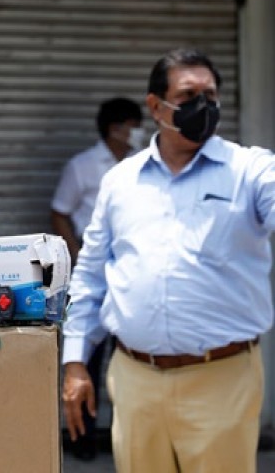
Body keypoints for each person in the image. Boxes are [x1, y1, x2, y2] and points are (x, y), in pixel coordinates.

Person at [61, 47, 275, 473]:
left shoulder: (250, 171)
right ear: (156, 106)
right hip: (135, 380)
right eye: (189, 94)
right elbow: (91, 275)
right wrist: (74, 362)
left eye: (211, 95)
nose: (204, 106)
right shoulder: (121, 181)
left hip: (222, 379)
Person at [51, 96, 143, 461]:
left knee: (130, 359)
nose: (141, 132)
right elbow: (59, 212)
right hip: (95, 279)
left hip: (132, 281)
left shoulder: (143, 167)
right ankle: (82, 440)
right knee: (86, 360)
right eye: (135, 125)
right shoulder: (84, 167)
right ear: (115, 128)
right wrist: (78, 256)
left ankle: (126, 435)